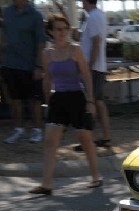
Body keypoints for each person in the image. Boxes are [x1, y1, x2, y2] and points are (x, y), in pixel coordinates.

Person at [29, 14, 101, 196]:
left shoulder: (75, 50)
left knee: (85, 139)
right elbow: (48, 78)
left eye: (65, 29)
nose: (63, 32)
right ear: (51, 32)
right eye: (59, 29)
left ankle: (95, 176)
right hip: (58, 99)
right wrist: (47, 101)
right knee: (50, 140)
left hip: (77, 97)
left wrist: (90, 101)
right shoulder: (47, 53)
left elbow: (85, 75)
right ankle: (46, 185)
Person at [1, 0, 45, 144]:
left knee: (34, 101)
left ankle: (37, 130)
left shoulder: (36, 16)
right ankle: (18, 129)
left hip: (29, 65)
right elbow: (4, 36)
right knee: (15, 100)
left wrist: (39, 66)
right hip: (10, 63)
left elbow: (40, 42)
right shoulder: (7, 12)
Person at [71, 0, 112, 150]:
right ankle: (106, 138)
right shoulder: (94, 16)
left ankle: (88, 141)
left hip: (92, 68)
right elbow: (81, 38)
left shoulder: (93, 17)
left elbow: (96, 42)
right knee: (98, 102)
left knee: (89, 103)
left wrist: (88, 67)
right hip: (97, 67)